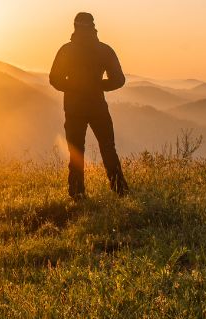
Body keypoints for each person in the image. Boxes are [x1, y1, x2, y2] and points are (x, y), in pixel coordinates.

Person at [49, 12, 128, 200]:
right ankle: (120, 190)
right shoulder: (104, 50)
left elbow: (54, 79)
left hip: (74, 107)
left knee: (76, 150)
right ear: (93, 26)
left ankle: (77, 193)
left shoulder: (66, 50)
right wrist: (98, 85)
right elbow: (119, 80)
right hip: (97, 106)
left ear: (75, 26)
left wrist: (73, 86)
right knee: (108, 147)